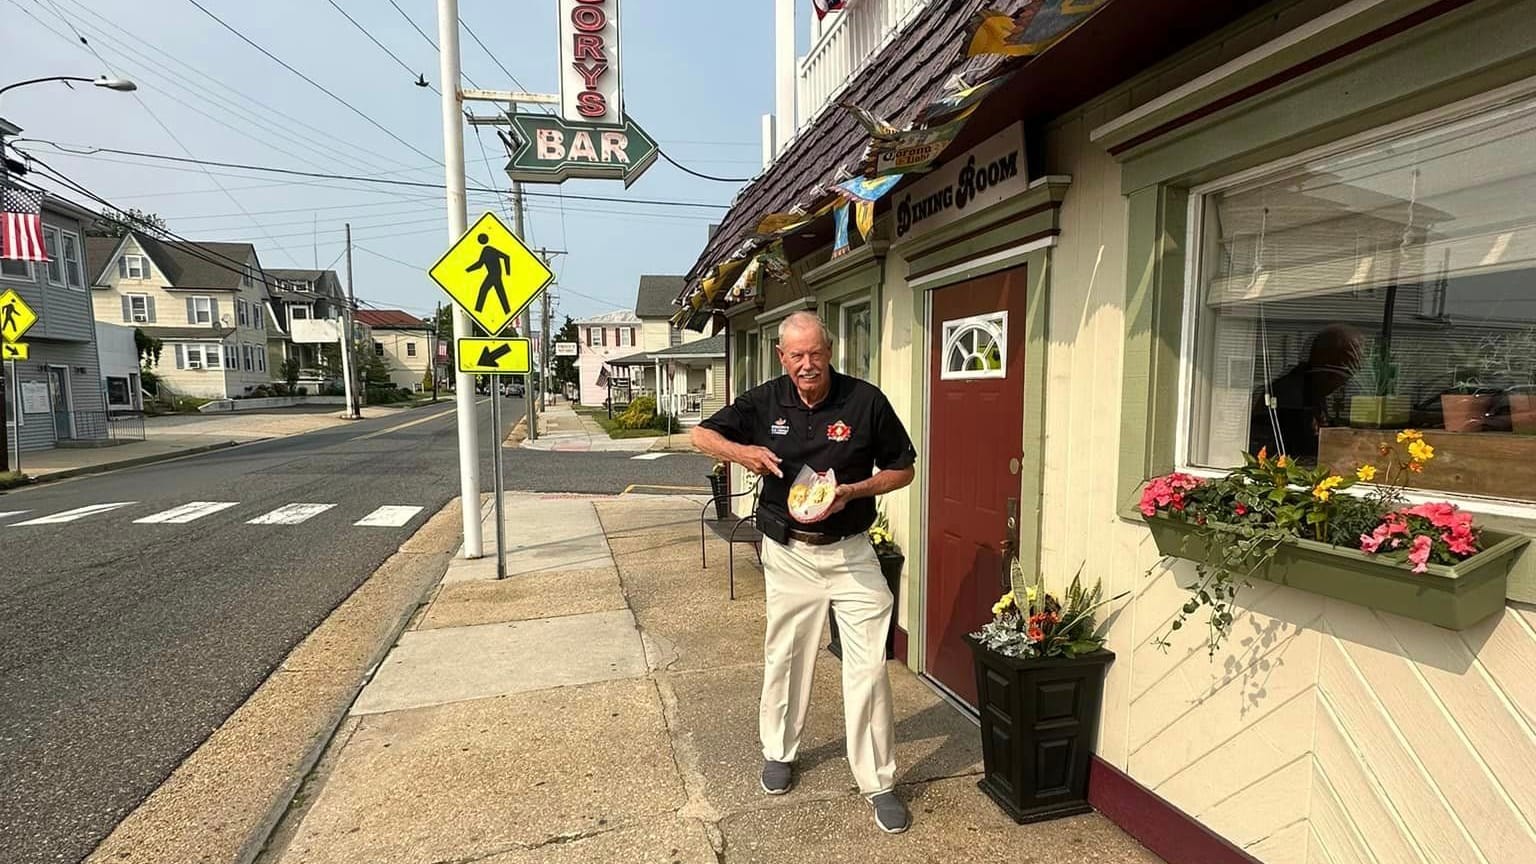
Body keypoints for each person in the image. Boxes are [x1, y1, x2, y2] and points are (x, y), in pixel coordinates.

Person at [691, 311, 917, 834]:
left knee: (868, 670)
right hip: (789, 552)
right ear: (782, 356)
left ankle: (879, 781)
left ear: (830, 350)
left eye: (815, 353)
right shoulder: (765, 400)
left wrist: (854, 492)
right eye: (797, 356)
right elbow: (701, 436)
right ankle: (779, 751)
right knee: (787, 656)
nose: (808, 365)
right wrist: (741, 451)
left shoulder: (864, 401)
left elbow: (903, 467)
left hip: (851, 551)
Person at [1248, 323, 1364, 462]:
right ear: (1327, 356)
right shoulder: (1289, 395)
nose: (1356, 367)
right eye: (1350, 360)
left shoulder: (1312, 389)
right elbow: (1298, 448)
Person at [465, 233, 511, 315]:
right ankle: (507, 311)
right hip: (494, 275)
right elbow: (480, 264)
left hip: (493, 275)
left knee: (484, 290)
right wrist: (468, 270)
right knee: (500, 293)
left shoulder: (488, 250)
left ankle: (478, 311)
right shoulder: (487, 250)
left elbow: (506, 257)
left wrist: (508, 272)